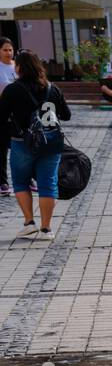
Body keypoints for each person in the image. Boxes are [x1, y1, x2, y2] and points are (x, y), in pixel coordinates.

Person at [0, 50, 71, 239]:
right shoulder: (52, 88)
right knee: (48, 184)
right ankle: (46, 229)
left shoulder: (13, 90)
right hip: (50, 143)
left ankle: (29, 222)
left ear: (19, 68)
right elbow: (66, 115)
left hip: (22, 142)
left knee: (21, 182)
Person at [0, 38, 15, 197]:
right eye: (5, 50)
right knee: (2, 149)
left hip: (17, 113)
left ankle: (29, 177)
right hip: (2, 112)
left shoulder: (17, 66)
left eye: (10, 49)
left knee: (21, 146)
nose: (8, 53)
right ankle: (3, 182)